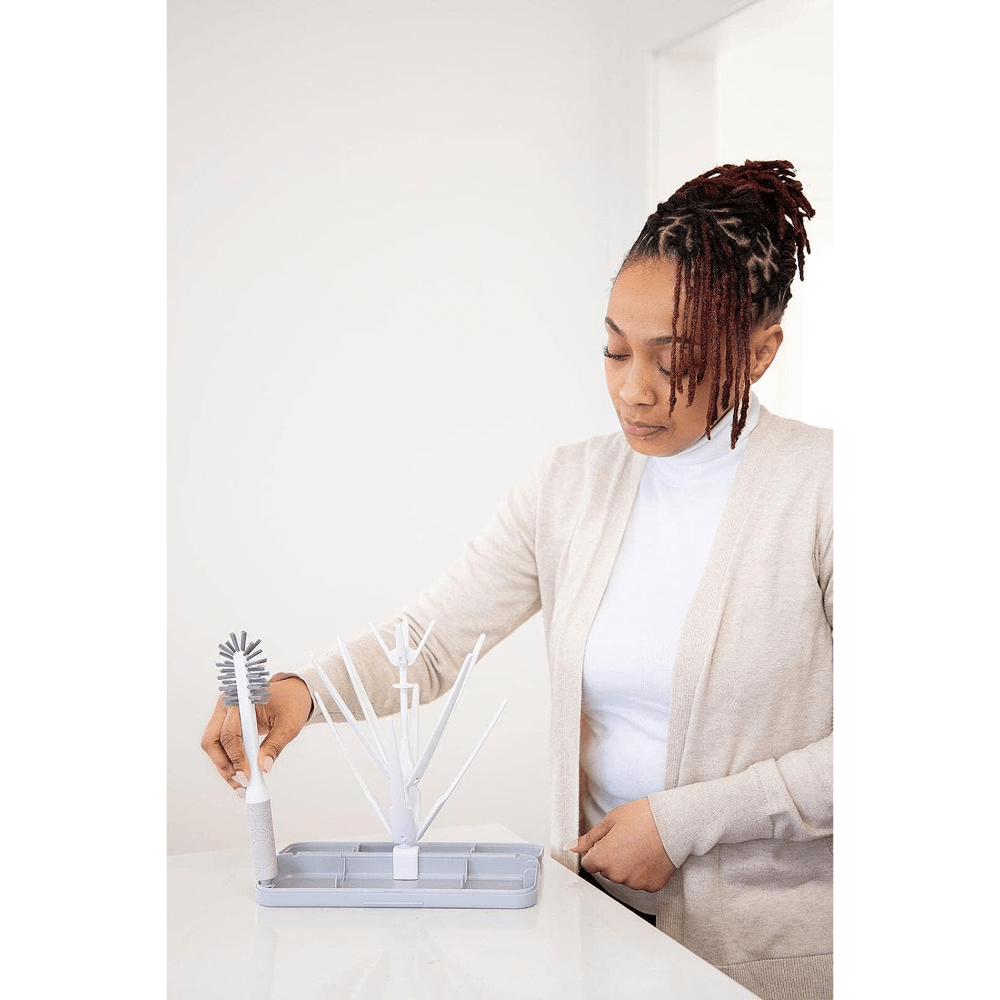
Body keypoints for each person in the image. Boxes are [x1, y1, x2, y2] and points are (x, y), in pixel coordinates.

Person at [201, 159, 833, 1000]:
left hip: (766, 959)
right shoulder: (569, 487)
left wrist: (680, 826)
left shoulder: (818, 490)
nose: (632, 390)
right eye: (613, 349)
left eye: (672, 361)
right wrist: (300, 693)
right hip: (595, 926)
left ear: (760, 353)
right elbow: (431, 642)